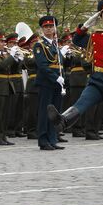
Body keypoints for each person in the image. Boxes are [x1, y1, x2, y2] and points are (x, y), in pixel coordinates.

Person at [48, 0, 103, 186]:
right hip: (97, 80)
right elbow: (77, 40)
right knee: (82, 103)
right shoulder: (95, 36)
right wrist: (85, 25)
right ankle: (63, 121)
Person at [34, 17, 66, 151]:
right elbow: (42, 66)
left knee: (55, 113)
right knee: (44, 112)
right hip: (47, 82)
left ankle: (52, 139)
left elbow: (59, 65)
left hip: (57, 83)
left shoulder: (54, 45)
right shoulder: (39, 45)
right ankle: (43, 140)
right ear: (42, 29)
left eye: (51, 26)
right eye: (46, 27)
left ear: (55, 29)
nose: (49, 29)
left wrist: (62, 79)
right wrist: (55, 78)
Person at [0, 32, 23, 146]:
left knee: (5, 113)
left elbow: (11, 68)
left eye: (4, 41)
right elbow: (1, 66)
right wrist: (12, 56)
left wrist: (18, 59)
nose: (4, 43)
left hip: (7, 85)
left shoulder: (4, 54)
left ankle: (3, 136)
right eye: (1, 41)